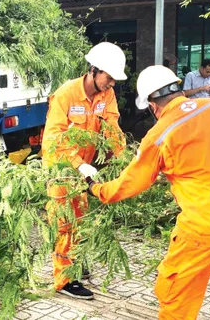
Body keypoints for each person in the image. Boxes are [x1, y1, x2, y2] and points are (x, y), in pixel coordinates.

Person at [83, 65, 210, 320]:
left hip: (205, 228)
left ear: (152, 105)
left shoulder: (160, 134)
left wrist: (96, 189)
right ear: (178, 89)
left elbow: (131, 183)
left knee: (177, 296)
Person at [42, 42, 128, 300]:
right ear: (94, 70)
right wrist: (78, 164)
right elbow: (54, 137)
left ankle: (74, 261)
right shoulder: (66, 94)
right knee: (64, 222)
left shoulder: (106, 95)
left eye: (114, 79)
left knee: (81, 217)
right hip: (61, 167)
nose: (111, 83)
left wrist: (124, 159)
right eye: (109, 77)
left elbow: (112, 127)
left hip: (85, 168)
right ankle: (64, 280)